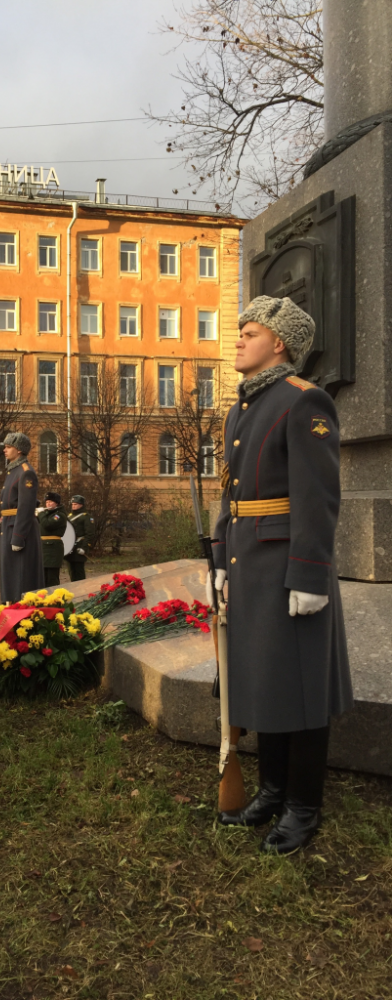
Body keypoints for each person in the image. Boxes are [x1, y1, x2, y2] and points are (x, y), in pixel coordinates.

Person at [210, 295, 354, 854]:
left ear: (281, 343)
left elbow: (319, 499)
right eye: (241, 331)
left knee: (300, 686)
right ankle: (271, 790)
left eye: (250, 332)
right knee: (264, 678)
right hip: (249, 562)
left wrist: (311, 576)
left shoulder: (304, 401)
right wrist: (221, 561)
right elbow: (233, 494)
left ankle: (302, 806)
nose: (239, 339)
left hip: (289, 565)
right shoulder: (241, 408)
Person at [0, 432, 43, 604]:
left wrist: (18, 536)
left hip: (18, 529)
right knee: (10, 573)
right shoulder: (13, 471)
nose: (5, 450)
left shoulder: (26, 472)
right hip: (9, 525)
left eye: (9, 447)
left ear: (19, 450)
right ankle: (9, 605)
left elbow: (25, 506)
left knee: (21, 575)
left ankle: (19, 609)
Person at [38, 492, 68, 588]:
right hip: (43, 546)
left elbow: (47, 524)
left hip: (53, 548)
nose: (48, 504)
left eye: (51, 502)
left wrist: (41, 513)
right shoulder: (47, 514)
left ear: (57, 503)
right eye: (47, 502)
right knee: (42, 576)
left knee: (52, 578)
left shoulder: (59, 515)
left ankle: (53, 599)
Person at [65, 496, 95, 582]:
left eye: (76, 504)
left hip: (79, 546)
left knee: (79, 572)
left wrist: (84, 547)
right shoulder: (69, 516)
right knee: (71, 571)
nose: (73, 506)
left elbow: (90, 534)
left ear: (81, 505)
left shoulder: (86, 517)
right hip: (70, 547)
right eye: (72, 504)